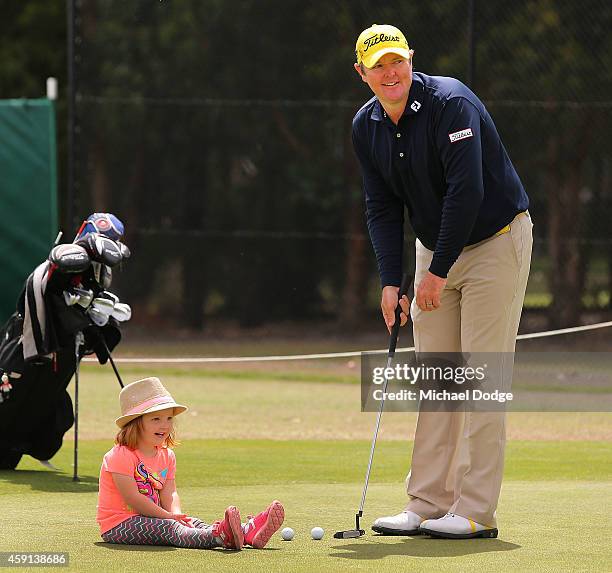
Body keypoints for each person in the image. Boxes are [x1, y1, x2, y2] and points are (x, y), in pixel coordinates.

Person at [352, 24, 533, 538]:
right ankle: (428, 502)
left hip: (495, 240)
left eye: (397, 61)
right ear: (361, 73)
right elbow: (381, 205)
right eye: (378, 65)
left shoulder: (450, 104)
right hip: (435, 248)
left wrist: (436, 272)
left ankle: (474, 511)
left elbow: (467, 191)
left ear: (411, 59)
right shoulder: (365, 126)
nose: (390, 72)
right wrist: (392, 281)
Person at [97, 377, 285, 549]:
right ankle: (219, 537)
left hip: (155, 517)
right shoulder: (120, 455)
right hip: (119, 524)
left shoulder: (167, 456)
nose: (165, 425)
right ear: (135, 423)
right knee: (170, 527)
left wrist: (177, 514)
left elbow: (170, 492)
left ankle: (245, 532)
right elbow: (133, 498)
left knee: (191, 522)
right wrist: (170, 517)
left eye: (169, 418)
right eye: (156, 419)